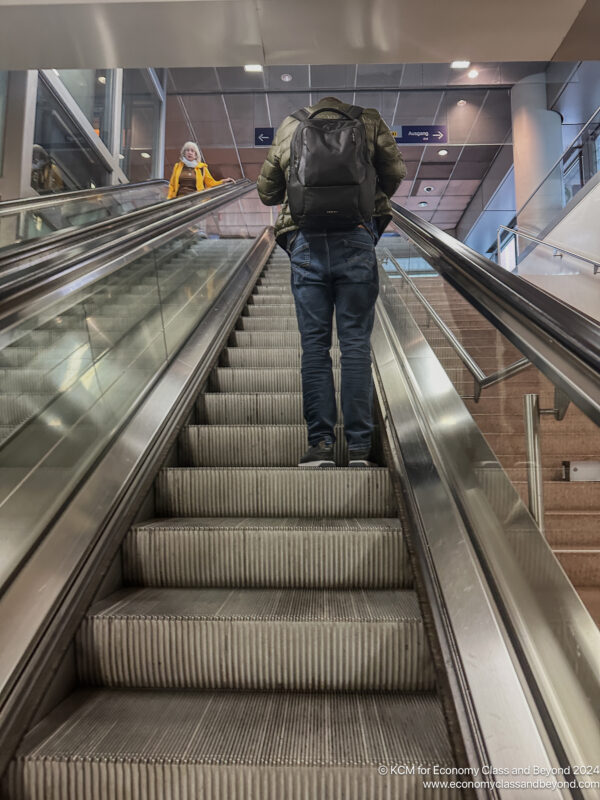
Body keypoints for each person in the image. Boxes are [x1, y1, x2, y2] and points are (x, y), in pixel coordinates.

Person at [257, 96, 406, 468]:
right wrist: (365, 194)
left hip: (306, 241)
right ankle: (359, 448)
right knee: (355, 343)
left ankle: (320, 445)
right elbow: (396, 172)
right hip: (355, 237)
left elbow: (267, 192)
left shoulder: (291, 124)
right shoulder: (370, 120)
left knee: (315, 347)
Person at [167, 142, 234, 199]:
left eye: (192, 151)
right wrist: (168, 200)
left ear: (196, 155)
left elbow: (211, 183)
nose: (189, 152)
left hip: (196, 200)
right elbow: (172, 185)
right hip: (179, 201)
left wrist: (223, 181)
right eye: (187, 150)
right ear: (184, 153)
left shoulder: (202, 168)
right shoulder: (177, 166)